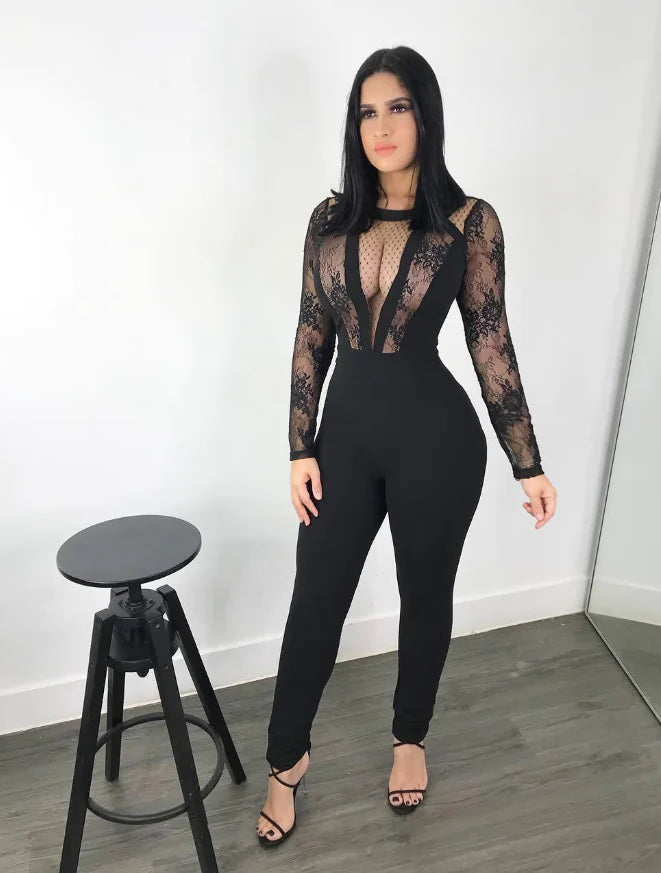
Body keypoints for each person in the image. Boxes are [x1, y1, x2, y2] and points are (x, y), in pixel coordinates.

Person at [256, 45, 557, 847]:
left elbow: (490, 342)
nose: (380, 126)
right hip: (344, 445)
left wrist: (527, 462)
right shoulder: (328, 219)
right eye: (366, 111)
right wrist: (298, 446)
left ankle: (409, 736)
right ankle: (285, 759)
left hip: (437, 443)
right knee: (315, 599)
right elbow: (310, 333)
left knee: (424, 594)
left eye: (397, 107)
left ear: (425, 115)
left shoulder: (468, 221)